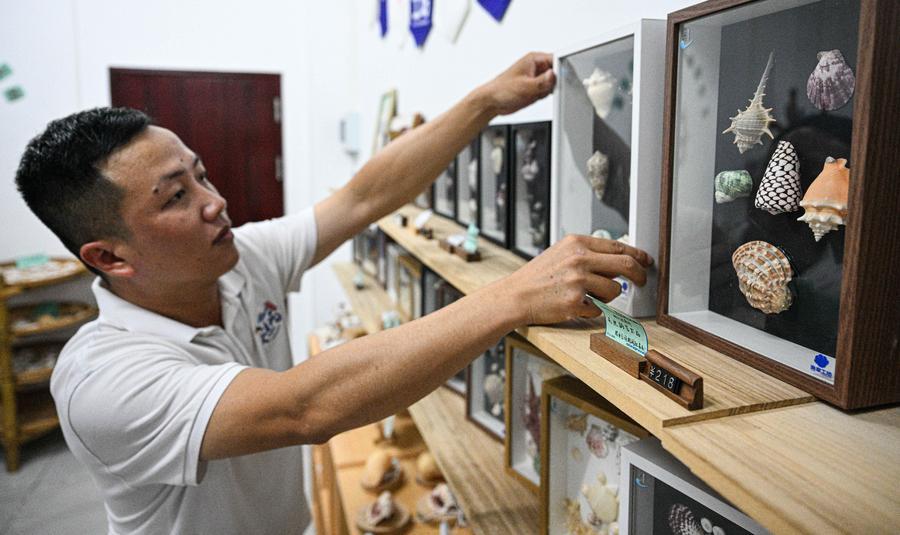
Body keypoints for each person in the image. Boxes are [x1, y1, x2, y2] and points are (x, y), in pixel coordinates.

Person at [14, 52, 652, 534]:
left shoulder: (238, 260)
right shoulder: (102, 379)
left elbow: (363, 198)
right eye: (177, 196)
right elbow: (305, 409)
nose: (215, 203)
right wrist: (516, 296)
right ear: (109, 257)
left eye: (201, 175)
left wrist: (484, 101)